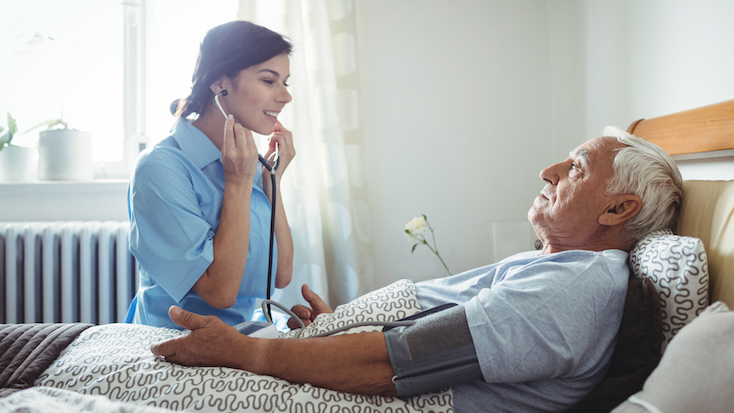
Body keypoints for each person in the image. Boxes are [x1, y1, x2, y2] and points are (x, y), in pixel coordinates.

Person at [149, 130, 683, 412]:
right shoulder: (556, 266)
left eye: (577, 168)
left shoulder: (569, 289)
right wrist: (345, 326)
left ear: (618, 210)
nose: (549, 170)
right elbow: (427, 341)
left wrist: (252, 352)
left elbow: (397, 364)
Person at [126, 21, 295, 329]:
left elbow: (281, 275)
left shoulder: (246, 162)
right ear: (219, 82)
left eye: (286, 82)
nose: (286, 96)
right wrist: (239, 184)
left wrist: (272, 181)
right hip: (175, 343)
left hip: (240, 338)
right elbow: (220, 292)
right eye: (269, 81)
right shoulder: (159, 168)